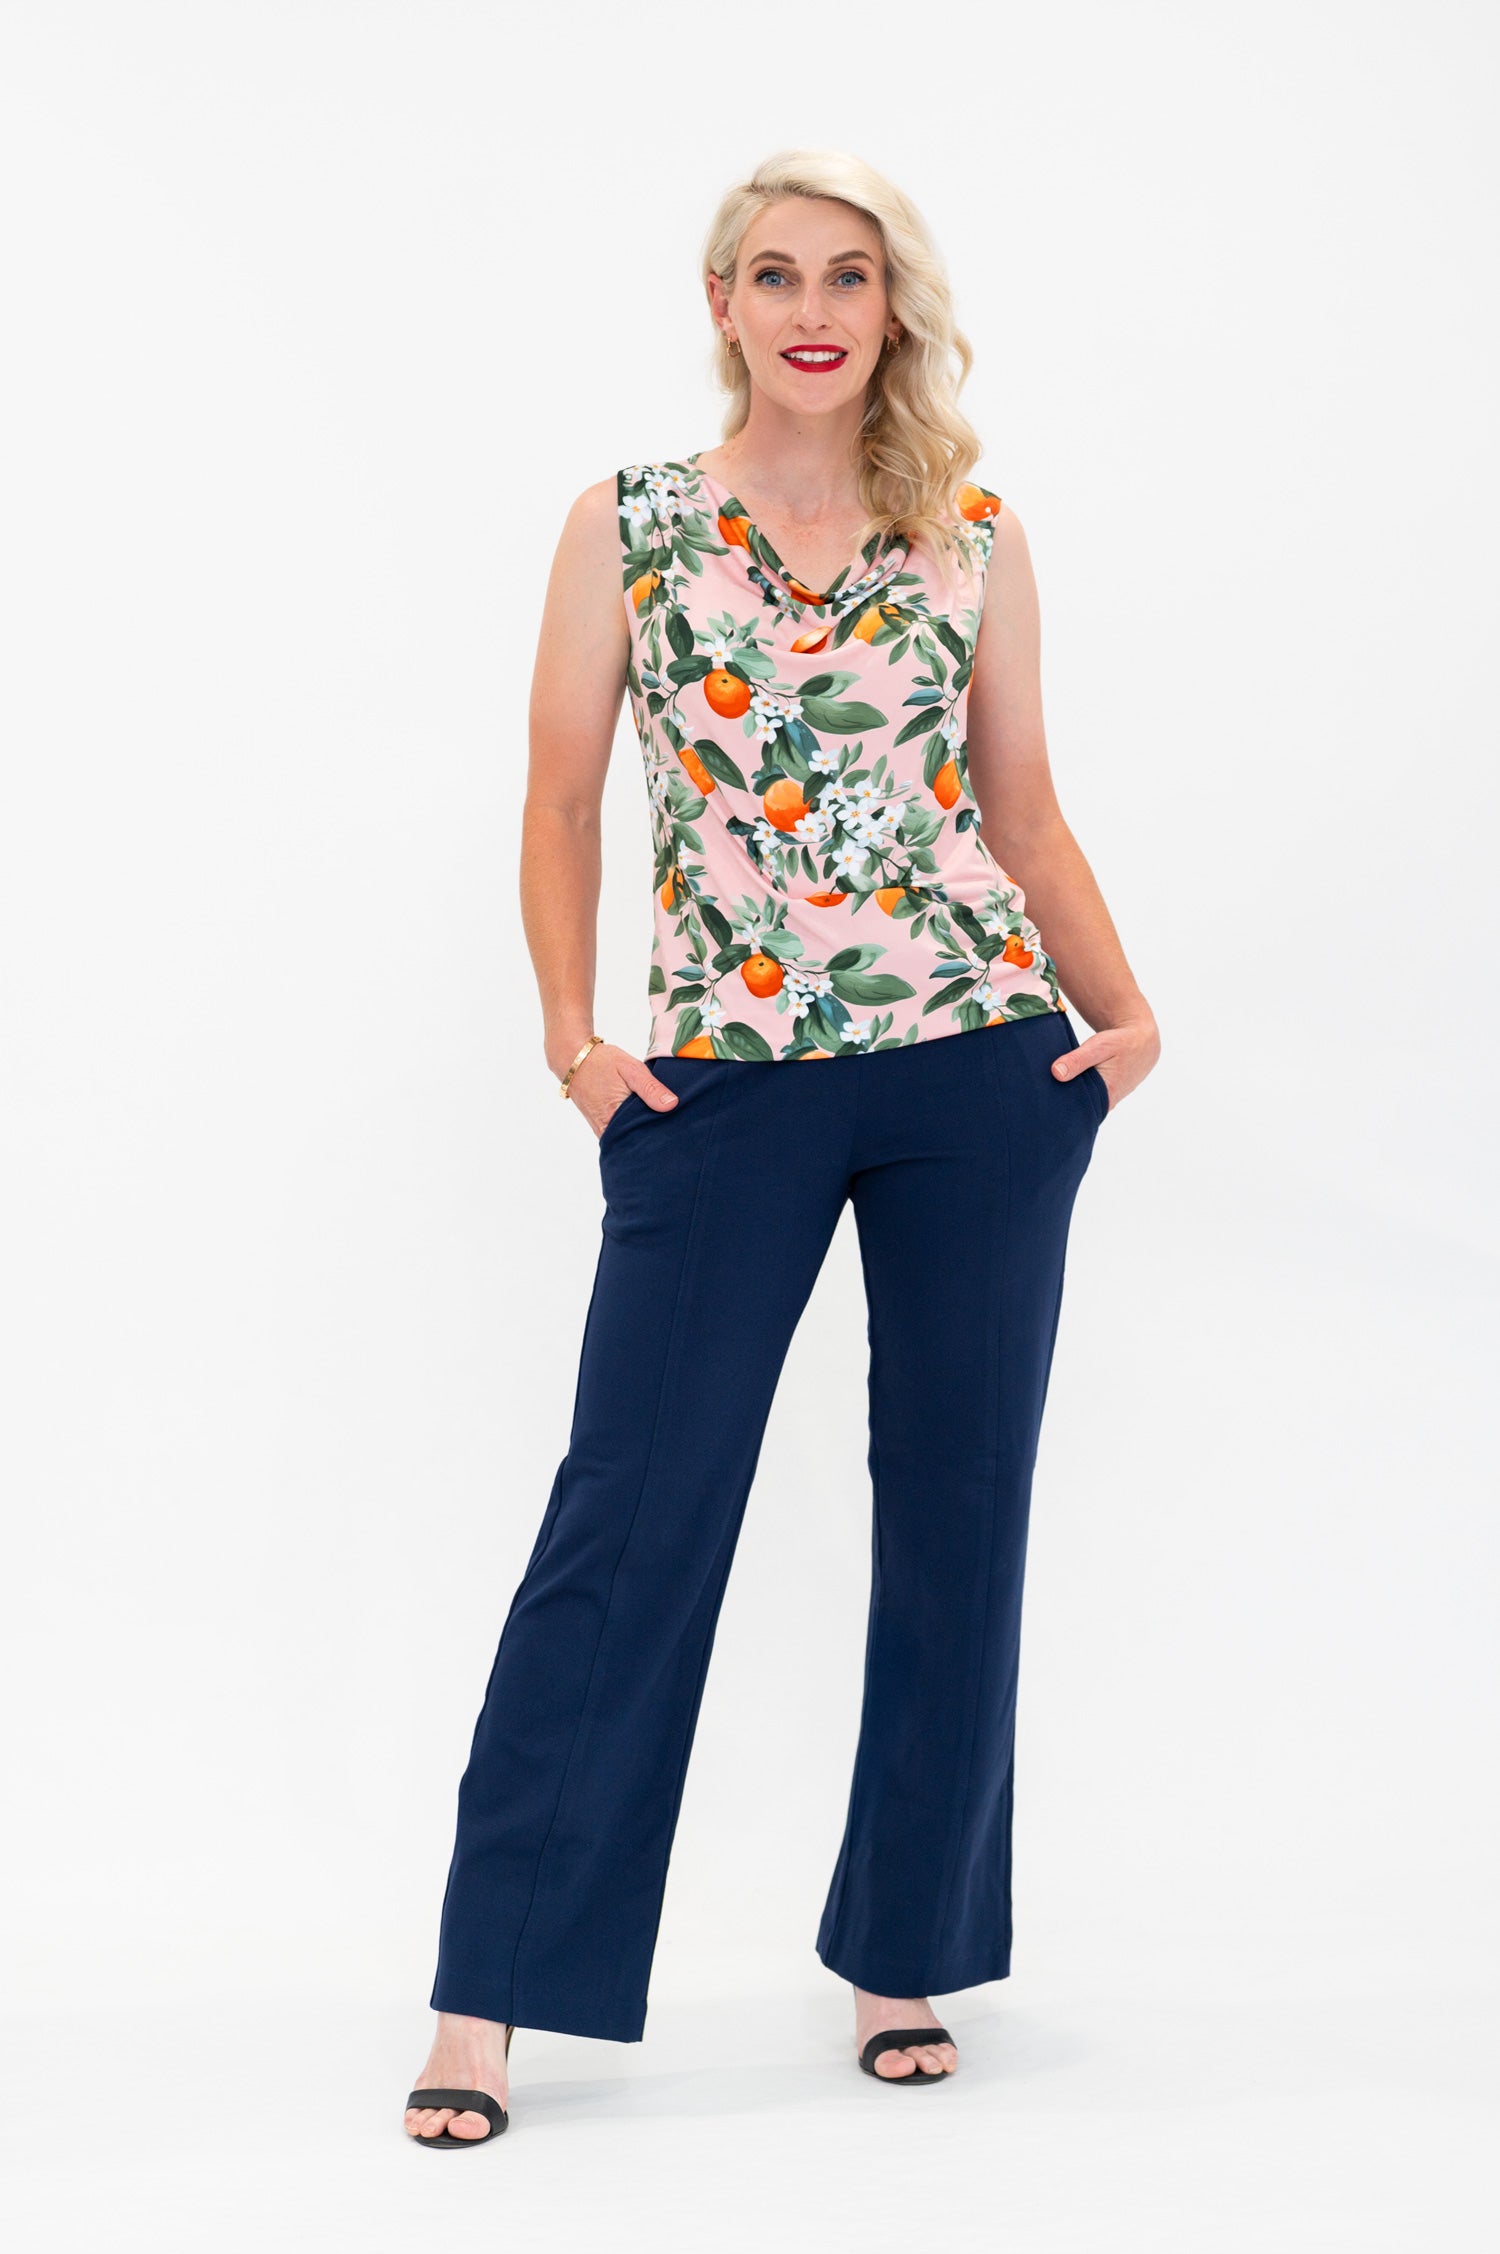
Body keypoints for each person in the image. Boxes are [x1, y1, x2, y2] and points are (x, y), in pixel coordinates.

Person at [404, 147, 1160, 2147]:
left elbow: (1021, 805)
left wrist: (1124, 1014)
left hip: (975, 1067)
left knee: (958, 1508)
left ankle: (904, 1950)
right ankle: (487, 1989)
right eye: (774, 273)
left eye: (849, 274)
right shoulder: (630, 525)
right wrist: (575, 1040)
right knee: (633, 1508)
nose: (812, 307)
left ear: (893, 308)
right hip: (723, 1078)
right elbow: (562, 797)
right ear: (722, 302)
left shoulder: (972, 533)